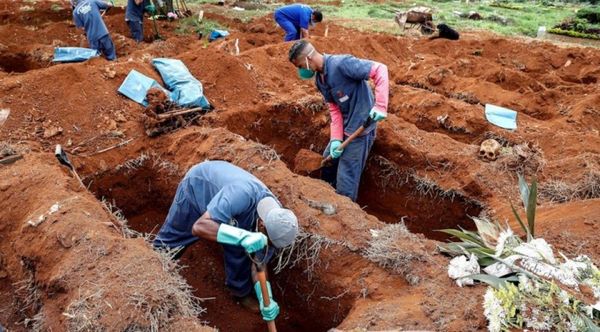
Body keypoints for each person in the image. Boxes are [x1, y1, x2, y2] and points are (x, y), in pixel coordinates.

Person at [153, 160, 299, 322]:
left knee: (238, 248)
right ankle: (150, 274)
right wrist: (242, 236)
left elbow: (259, 262)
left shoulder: (276, 218)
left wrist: (266, 298)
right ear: (261, 224)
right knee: (170, 243)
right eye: (268, 242)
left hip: (232, 212)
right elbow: (199, 227)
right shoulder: (241, 194)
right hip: (197, 189)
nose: (268, 246)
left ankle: (240, 293)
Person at [288, 40, 389, 202]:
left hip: (360, 131)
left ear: (309, 59)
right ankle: (327, 200)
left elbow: (380, 69)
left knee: (346, 183)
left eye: (300, 66)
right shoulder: (320, 80)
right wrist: (335, 139)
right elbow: (334, 109)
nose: (301, 71)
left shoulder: (341, 64)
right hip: (344, 129)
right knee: (326, 164)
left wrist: (381, 105)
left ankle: (344, 211)